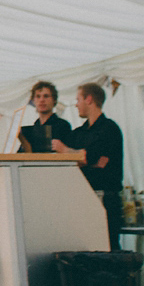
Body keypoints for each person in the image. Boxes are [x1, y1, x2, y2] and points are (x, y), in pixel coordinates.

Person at [53, 83, 124, 249]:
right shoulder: (79, 133)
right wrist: (79, 156)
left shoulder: (109, 128)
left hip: (106, 197)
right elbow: (91, 159)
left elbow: (89, 157)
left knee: (108, 246)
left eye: (78, 99)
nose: (76, 104)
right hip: (83, 197)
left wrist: (67, 151)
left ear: (89, 99)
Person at [18, 81, 72, 154]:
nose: (41, 100)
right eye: (38, 96)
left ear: (54, 100)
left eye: (46, 96)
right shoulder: (31, 130)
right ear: (33, 101)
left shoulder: (63, 126)